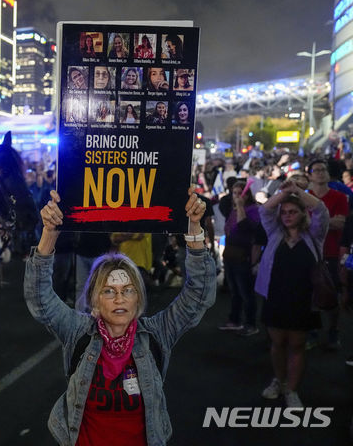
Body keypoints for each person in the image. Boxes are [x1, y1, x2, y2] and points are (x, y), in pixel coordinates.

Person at [25, 188, 215, 445]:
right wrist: (49, 234)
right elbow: (40, 299)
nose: (119, 299)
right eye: (108, 291)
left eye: (128, 290)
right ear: (94, 299)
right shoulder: (78, 332)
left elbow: (198, 296)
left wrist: (194, 230)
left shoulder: (157, 334)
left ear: (138, 298)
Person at [255, 179, 329, 408]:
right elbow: (265, 210)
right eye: (284, 212)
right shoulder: (274, 233)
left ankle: (292, 389)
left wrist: (297, 191)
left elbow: (321, 211)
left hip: (303, 299)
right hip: (275, 297)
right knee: (277, 343)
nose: (287, 215)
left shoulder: (314, 235)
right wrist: (283, 192)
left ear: (302, 214)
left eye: (293, 211)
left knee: (297, 345)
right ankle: (279, 379)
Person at [307, 159, 348, 349]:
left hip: (332, 252)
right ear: (310, 175)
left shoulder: (339, 197)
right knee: (309, 295)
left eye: (323, 170)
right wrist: (327, 221)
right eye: (316, 170)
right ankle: (313, 331)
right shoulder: (305, 197)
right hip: (310, 253)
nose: (321, 173)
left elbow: (341, 223)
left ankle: (333, 330)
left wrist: (314, 222)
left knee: (332, 295)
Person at [218, 181, 261, 336]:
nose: (236, 196)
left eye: (239, 193)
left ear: (247, 195)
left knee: (246, 292)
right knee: (235, 291)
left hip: (244, 255)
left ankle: (250, 323)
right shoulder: (233, 209)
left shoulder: (252, 209)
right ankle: (235, 320)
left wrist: (241, 207)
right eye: (234, 193)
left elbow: (245, 227)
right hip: (231, 254)